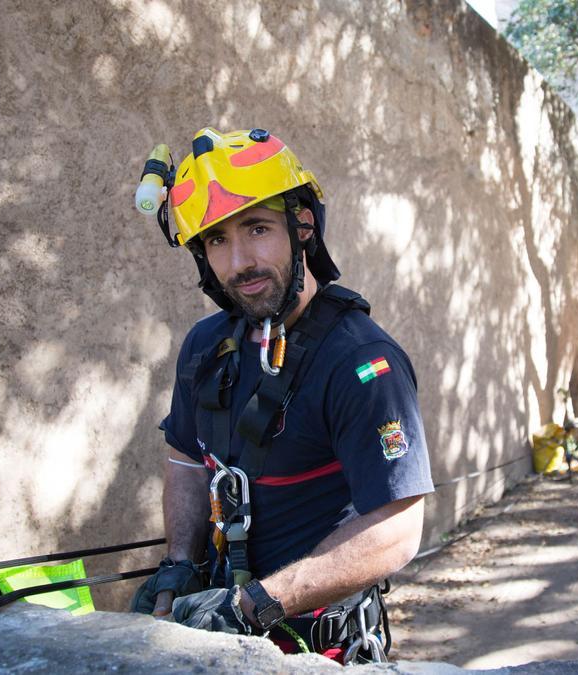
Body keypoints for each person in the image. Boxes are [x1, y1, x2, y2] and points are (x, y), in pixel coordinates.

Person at [129, 127, 433, 660]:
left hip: (324, 652)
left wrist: (256, 606)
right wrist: (179, 562)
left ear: (303, 228)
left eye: (257, 229)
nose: (239, 260)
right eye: (217, 239)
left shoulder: (361, 362)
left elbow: (398, 529)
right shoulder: (205, 346)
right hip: (219, 641)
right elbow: (185, 462)